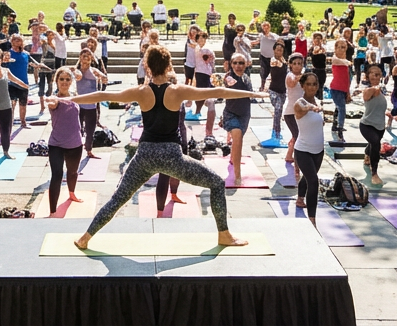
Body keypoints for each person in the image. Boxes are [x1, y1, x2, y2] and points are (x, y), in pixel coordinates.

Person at [65, 45, 266, 250]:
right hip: (172, 157)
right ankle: (224, 235)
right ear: (169, 65)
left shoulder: (141, 92)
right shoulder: (177, 91)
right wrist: (255, 94)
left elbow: (101, 96)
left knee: (118, 199)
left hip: (144, 156)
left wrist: (66, 98)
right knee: (216, 184)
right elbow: (218, 91)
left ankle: (85, 238)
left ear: (147, 67)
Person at [44, 67, 86, 212]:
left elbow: (80, 75)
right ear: (56, 81)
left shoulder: (75, 97)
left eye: (67, 79)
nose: (64, 82)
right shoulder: (54, 99)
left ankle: (72, 194)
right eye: (61, 79)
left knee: (73, 172)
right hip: (56, 144)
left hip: (75, 143)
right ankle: (52, 210)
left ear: (71, 82)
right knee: (56, 175)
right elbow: (51, 101)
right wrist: (51, 100)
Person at [292, 71, 327, 225]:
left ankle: (300, 198)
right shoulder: (299, 103)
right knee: (313, 181)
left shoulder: (319, 102)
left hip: (318, 150)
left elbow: (319, 121)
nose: (312, 87)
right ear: (302, 86)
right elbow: (303, 108)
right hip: (303, 150)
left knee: (308, 177)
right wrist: (313, 108)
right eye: (309, 84)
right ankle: (312, 218)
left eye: (315, 84)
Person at [222, 53, 254, 184]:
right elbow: (230, 86)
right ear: (231, 64)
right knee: (238, 138)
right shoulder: (229, 77)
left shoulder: (247, 78)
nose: (238, 66)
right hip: (231, 114)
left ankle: (232, 158)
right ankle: (238, 175)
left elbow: (250, 95)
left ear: (246, 65)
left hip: (244, 114)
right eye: (235, 63)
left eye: (241, 63)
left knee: (238, 140)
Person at [358, 64, 389, 186]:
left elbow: (379, 108)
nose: (376, 75)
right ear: (367, 76)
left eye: (378, 74)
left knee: (372, 143)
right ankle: (374, 174)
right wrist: (376, 87)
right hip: (367, 125)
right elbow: (368, 94)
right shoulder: (368, 90)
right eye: (373, 73)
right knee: (376, 143)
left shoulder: (381, 92)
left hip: (380, 126)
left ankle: (367, 154)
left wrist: (391, 115)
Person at [73, 49, 108, 158]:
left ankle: (88, 150)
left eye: (88, 55)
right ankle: (75, 149)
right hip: (78, 104)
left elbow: (105, 78)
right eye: (84, 55)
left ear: (91, 58)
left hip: (91, 105)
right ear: (80, 57)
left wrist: (103, 78)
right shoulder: (75, 70)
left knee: (90, 130)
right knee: (77, 129)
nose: (86, 57)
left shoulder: (94, 71)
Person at [283, 52, 306, 168]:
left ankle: (289, 155)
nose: (297, 66)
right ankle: (298, 160)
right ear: (290, 65)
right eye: (295, 63)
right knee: (298, 135)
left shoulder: (303, 75)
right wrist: (301, 77)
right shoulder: (290, 75)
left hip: (301, 111)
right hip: (290, 112)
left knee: (297, 134)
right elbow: (291, 83)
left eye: (300, 64)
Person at [328, 39, 353, 139]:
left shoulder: (345, 62)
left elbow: (347, 79)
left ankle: (335, 125)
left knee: (338, 108)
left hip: (343, 89)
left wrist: (348, 92)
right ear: (335, 48)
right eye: (340, 47)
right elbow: (339, 61)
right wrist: (348, 62)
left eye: (344, 47)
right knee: (342, 108)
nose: (342, 50)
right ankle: (340, 128)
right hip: (336, 88)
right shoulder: (336, 59)